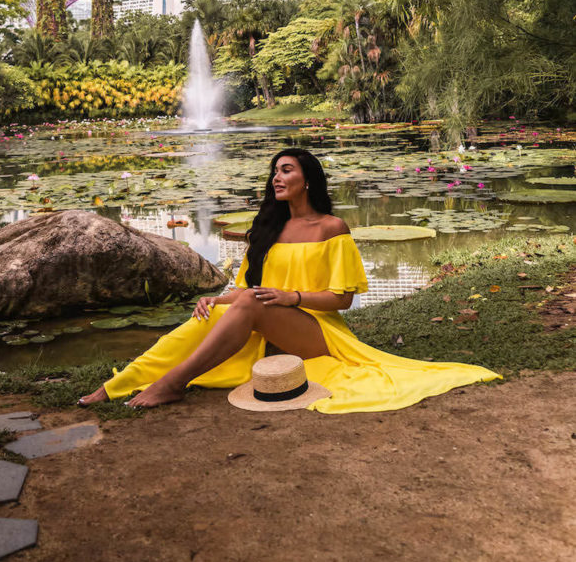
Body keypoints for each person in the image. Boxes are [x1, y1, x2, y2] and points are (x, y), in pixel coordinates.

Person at [78, 148, 500, 412]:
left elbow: (341, 301)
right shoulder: (266, 230)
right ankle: (119, 384)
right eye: (274, 172)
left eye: (286, 170)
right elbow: (247, 290)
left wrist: (291, 296)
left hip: (316, 332)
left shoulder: (332, 229)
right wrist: (218, 301)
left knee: (250, 306)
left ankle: (172, 385)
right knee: (197, 322)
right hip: (263, 317)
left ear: (308, 179)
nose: (277, 178)